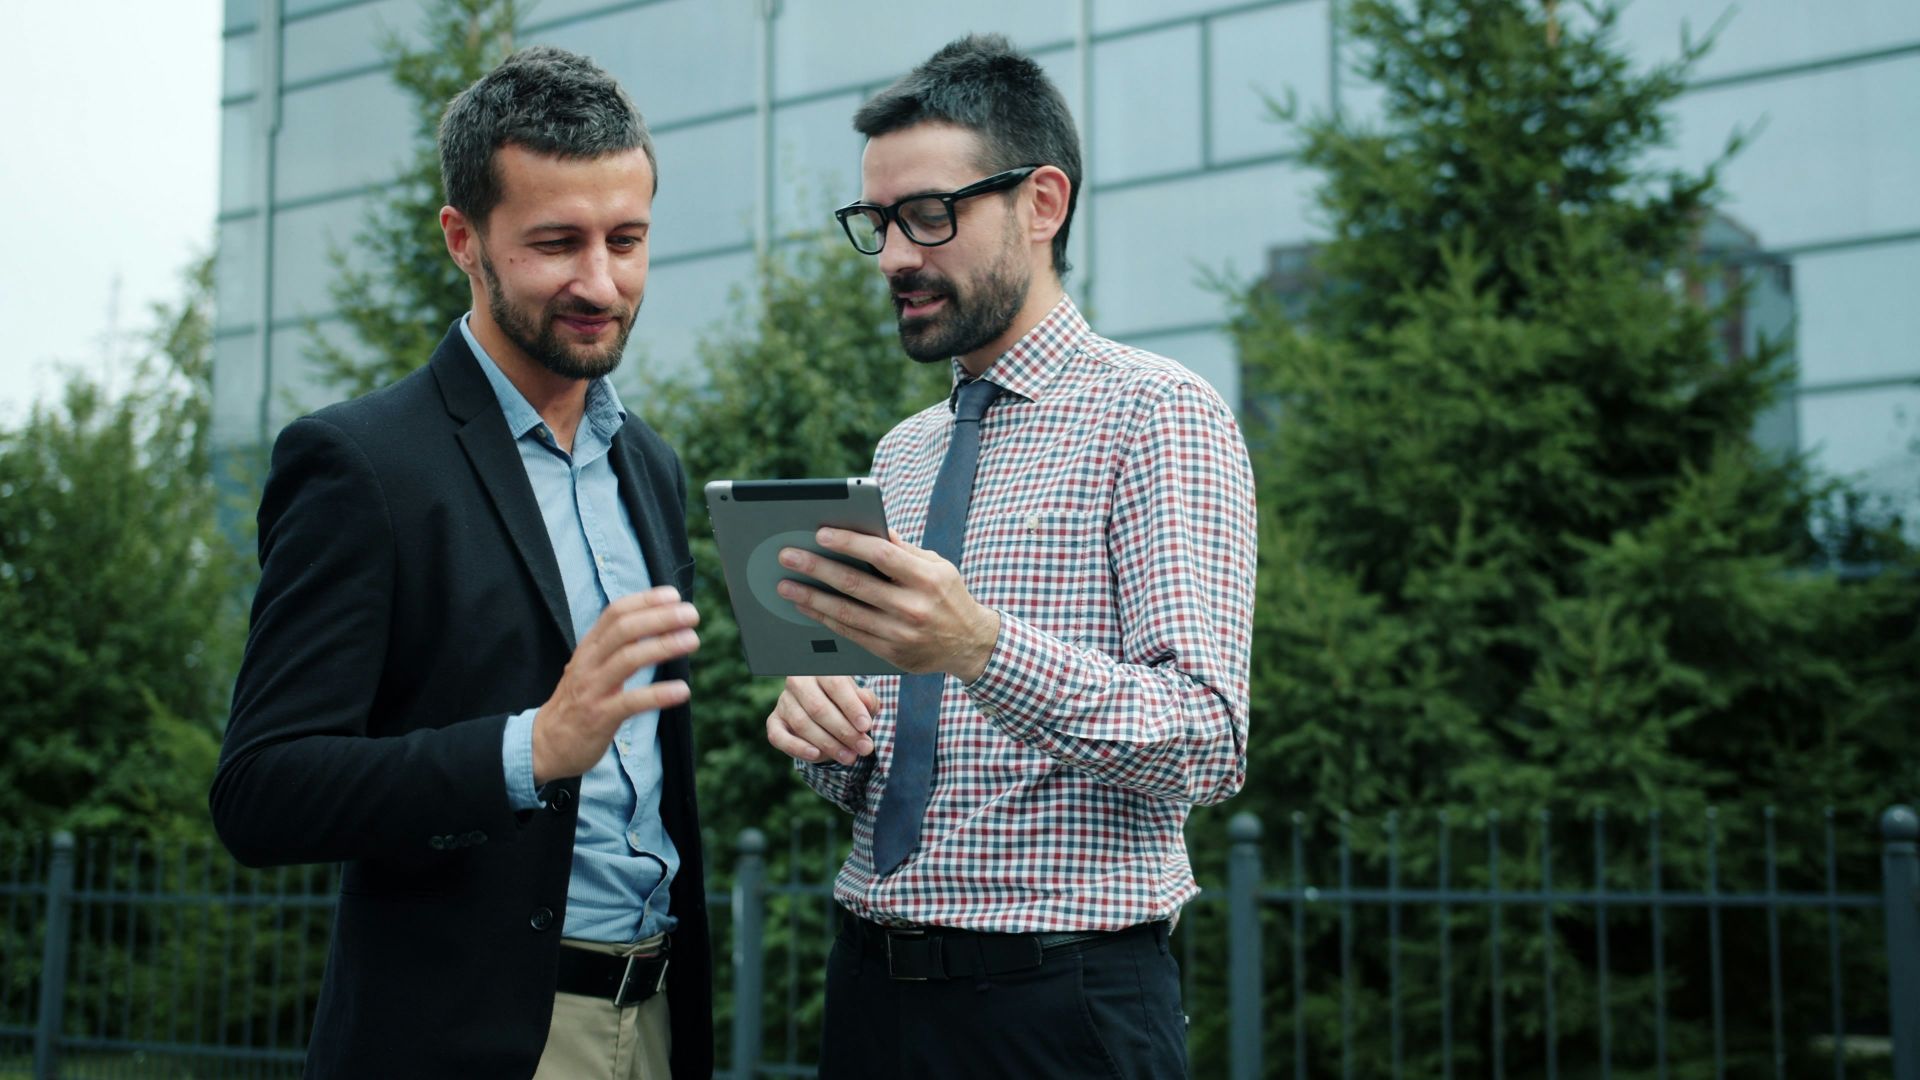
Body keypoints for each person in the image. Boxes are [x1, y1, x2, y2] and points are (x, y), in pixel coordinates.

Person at [209, 46, 711, 1079]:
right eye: (556, 243)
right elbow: (262, 792)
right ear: (463, 238)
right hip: (471, 1041)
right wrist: (529, 749)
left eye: (627, 239)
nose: (601, 282)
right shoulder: (361, 464)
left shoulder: (650, 466)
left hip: (656, 1019)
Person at [763, 32, 1257, 1079]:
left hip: (1062, 1007)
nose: (896, 255)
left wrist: (982, 647)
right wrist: (828, 734)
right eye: (879, 222)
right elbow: (893, 767)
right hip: (869, 988)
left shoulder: (1160, 415)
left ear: (1042, 203)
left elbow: (1208, 740)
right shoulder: (903, 450)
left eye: (930, 215)